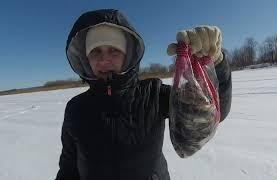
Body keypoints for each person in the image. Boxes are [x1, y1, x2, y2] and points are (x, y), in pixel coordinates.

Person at [55, 9, 232, 180]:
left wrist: (216, 63)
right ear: (86, 58)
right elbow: (68, 168)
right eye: (95, 51)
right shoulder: (76, 108)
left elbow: (212, 113)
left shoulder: (154, 93)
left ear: (128, 54)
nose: (103, 59)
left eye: (113, 50)